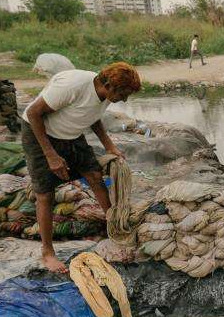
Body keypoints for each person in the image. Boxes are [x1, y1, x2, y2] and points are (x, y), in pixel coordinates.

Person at [21, 62, 141, 273]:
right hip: (40, 134)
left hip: (72, 135)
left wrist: (109, 146)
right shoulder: (74, 86)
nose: (125, 99)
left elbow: (93, 117)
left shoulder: (105, 94)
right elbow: (33, 113)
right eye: (124, 93)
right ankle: (47, 252)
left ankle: (112, 228)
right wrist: (51, 155)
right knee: (45, 194)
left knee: (95, 176)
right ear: (111, 85)